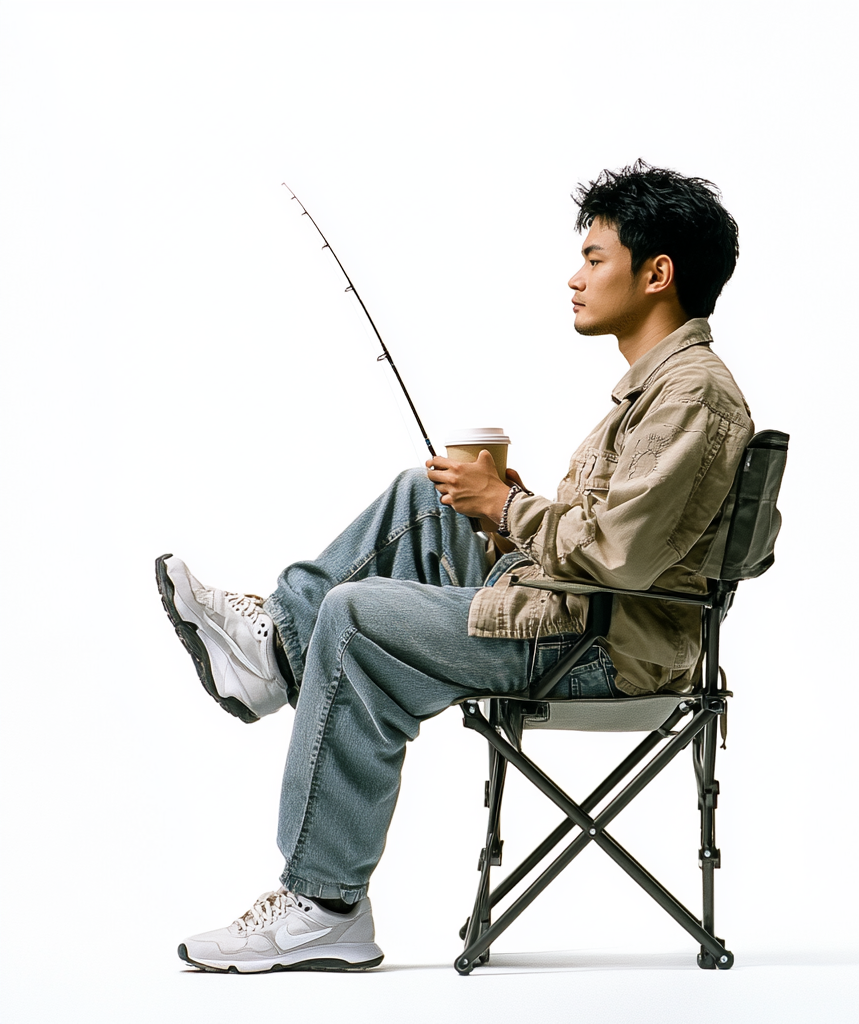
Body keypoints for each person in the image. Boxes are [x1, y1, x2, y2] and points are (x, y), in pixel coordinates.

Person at [157, 160, 753, 973]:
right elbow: (617, 537)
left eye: (595, 258)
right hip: (586, 617)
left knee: (359, 616)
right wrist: (497, 506)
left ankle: (322, 903)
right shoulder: (658, 388)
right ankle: (272, 650)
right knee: (427, 495)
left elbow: (621, 557)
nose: (575, 278)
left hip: (604, 645)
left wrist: (508, 510)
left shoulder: (690, 395)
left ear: (658, 274)